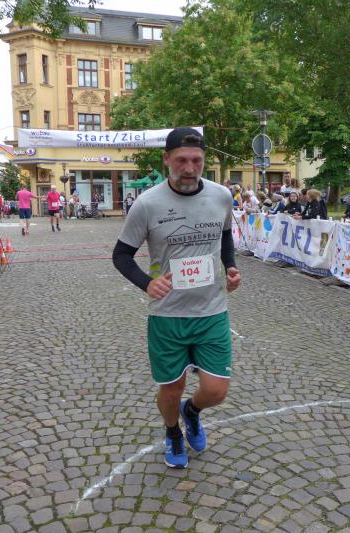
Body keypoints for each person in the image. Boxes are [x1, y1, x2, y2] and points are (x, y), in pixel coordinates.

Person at [112, 127, 240, 469]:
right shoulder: (147, 204)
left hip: (212, 310)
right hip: (168, 315)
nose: (189, 168)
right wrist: (146, 284)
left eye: (196, 160)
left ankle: (192, 411)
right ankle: (172, 431)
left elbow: (226, 235)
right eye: (181, 160)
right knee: (171, 389)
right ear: (166, 159)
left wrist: (230, 266)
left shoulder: (221, 196)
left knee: (216, 391)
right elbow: (121, 255)